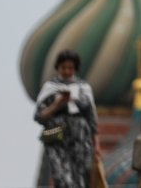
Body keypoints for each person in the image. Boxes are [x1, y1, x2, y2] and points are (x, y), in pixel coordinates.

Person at [35, 49, 100, 188]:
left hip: (79, 133)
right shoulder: (50, 87)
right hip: (55, 130)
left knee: (82, 173)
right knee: (60, 175)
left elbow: (91, 117)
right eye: (63, 68)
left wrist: (97, 143)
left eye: (70, 68)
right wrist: (57, 105)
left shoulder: (83, 87)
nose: (66, 71)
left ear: (75, 69)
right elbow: (39, 116)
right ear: (58, 68)